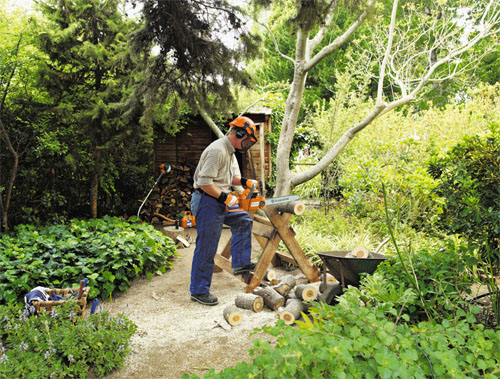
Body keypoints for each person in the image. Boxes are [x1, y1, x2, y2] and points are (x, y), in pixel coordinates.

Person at [189, 116, 259, 306]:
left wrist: (245, 182)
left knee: (244, 220)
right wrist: (224, 197)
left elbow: (231, 178)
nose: (247, 144)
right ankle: (199, 290)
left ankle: (240, 262)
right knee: (207, 246)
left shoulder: (230, 152)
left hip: (220, 199)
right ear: (239, 133)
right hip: (206, 201)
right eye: (247, 139)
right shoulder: (217, 150)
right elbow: (204, 182)